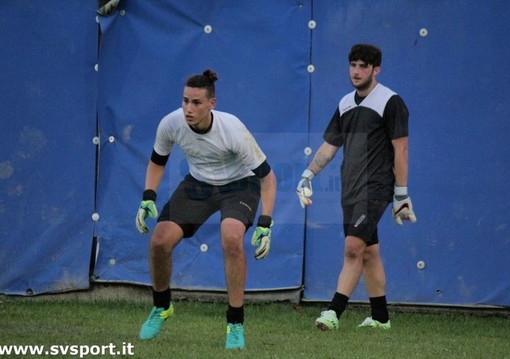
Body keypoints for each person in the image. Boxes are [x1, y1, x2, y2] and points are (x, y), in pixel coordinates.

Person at [135, 69, 277, 350]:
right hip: (198, 184)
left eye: (196, 103)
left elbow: (268, 179)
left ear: (212, 104)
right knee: (159, 241)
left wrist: (265, 223)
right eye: (185, 101)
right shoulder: (171, 123)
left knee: (231, 237)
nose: (188, 108)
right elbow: (157, 161)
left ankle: (235, 324)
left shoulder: (233, 129)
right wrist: (147, 197)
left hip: (239, 185)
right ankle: (162, 307)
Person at [296, 44, 417, 331]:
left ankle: (332, 313)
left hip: (375, 188)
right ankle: (380, 318)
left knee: (353, 248)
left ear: (376, 70)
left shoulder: (390, 101)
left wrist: (401, 192)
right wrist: (308, 174)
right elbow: (330, 146)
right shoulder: (345, 104)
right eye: (353, 65)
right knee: (369, 252)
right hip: (349, 189)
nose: (357, 71)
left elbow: (401, 149)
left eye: (363, 66)